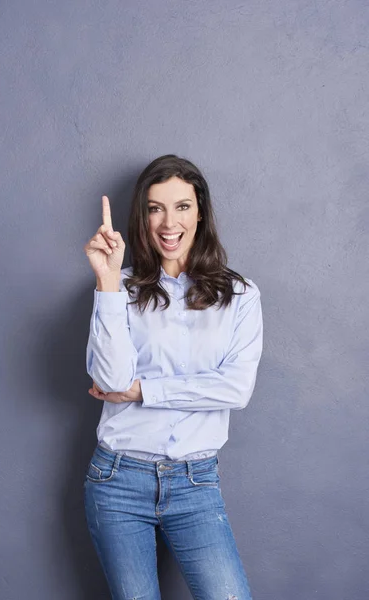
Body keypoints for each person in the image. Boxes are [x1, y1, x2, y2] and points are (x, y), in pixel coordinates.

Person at [83, 154, 263, 600]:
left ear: (200, 211)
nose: (168, 223)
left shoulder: (240, 296)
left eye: (181, 206)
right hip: (117, 480)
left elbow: (236, 389)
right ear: (141, 217)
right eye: (155, 208)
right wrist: (106, 281)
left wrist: (144, 391)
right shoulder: (119, 290)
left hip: (195, 482)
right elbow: (110, 379)